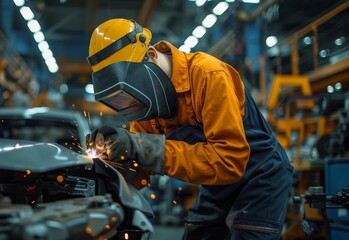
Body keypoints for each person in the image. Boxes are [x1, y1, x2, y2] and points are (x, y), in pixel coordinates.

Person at [85, 18, 293, 240]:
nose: (131, 103)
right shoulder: (147, 107)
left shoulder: (208, 74)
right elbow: (141, 171)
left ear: (152, 56)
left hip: (260, 176)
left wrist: (143, 147)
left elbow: (229, 162)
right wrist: (108, 164)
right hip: (217, 184)